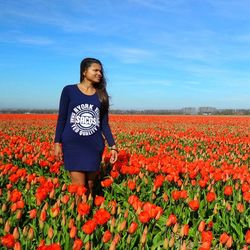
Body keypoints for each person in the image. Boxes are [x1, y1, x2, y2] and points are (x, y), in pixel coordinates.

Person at [54, 57, 118, 196]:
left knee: (89, 186)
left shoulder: (101, 95)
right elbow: (62, 119)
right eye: (95, 70)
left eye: (100, 71)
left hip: (94, 146)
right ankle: (78, 215)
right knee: (79, 188)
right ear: (84, 71)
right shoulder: (69, 91)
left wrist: (113, 146)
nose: (99, 73)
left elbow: (104, 124)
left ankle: (88, 215)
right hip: (73, 145)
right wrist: (57, 142)